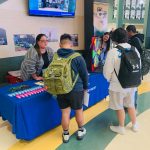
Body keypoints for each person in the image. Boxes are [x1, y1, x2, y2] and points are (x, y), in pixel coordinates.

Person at [103, 28, 140, 135]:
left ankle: (121, 127)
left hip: (117, 86)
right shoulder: (134, 49)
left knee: (119, 106)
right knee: (130, 104)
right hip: (132, 84)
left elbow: (107, 71)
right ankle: (135, 124)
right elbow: (139, 66)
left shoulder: (113, 52)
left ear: (114, 38)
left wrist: (109, 79)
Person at [56, 34, 88, 143]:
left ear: (60, 44)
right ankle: (80, 130)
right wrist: (85, 87)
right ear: (71, 44)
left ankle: (65, 134)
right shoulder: (77, 57)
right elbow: (84, 74)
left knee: (65, 113)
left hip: (60, 89)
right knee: (78, 111)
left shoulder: (55, 56)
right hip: (76, 89)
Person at [126, 25, 144, 110]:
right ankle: (133, 104)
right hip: (138, 65)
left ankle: (132, 105)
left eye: (127, 32)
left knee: (133, 86)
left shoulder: (134, 41)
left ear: (130, 31)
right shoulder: (139, 38)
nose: (127, 34)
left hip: (134, 66)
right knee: (135, 85)